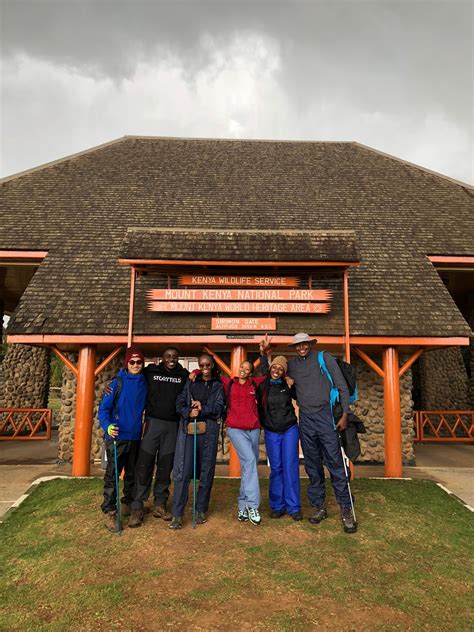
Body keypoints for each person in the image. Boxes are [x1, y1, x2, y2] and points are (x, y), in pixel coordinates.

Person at [285, 333, 357, 533]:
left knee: (335, 462)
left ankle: (346, 510)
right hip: (306, 419)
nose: (302, 348)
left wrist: (344, 414)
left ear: (310, 344)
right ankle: (319, 506)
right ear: (295, 347)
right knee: (312, 464)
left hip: (326, 417)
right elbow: (279, 379)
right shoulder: (292, 365)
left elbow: (342, 386)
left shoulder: (324, 358)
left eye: (305, 344)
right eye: (298, 345)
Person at [128, 347, 189, 528]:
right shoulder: (150, 371)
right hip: (152, 424)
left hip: (172, 426)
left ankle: (160, 504)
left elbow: (197, 380)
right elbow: (132, 375)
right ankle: (137, 506)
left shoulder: (183, 375)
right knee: (144, 464)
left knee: (165, 466)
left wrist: (194, 374)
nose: (171, 359)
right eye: (168, 356)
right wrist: (113, 383)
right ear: (162, 358)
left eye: (175, 357)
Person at [169, 354, 225, 529]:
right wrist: (188, 412)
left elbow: (219, 409)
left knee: (206, 472)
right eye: (202, 365)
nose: (205, 367)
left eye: (208, 364)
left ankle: (200, 509)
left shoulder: (218, 385)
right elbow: (179, 403)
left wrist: (202, 409)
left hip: (208, 432)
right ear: (198, 366)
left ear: (212, 365)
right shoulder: (191, 382)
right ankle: (177, 514)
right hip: (189, 431)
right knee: (184, 472)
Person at [98, 346, 147, 532]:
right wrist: (107, 426)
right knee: (112, 476)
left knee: (133, 474)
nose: (136, 365)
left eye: (139, 362)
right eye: (132, 362)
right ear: (127, 363)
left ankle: (128, 504)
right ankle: (110, 510)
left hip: (135, 438)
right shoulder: (116, 383)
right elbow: (103, 410)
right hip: (117, 436)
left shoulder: (144, 382)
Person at [221, 358, 268, 526]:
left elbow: (269, 375)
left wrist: (263, 355)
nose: (243, 370)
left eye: (247, 369)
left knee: (249, 467)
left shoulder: (254, 384)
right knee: (249, 461)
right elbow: (209, 373)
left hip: (253, 429)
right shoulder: (229, 383)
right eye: (242, 367)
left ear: (250, 372)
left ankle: (242, 506)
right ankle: (253, 506)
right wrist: (196, 372)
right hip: (235, 429)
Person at [257, 354, 303, 521]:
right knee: (276, 468)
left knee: (290, 466)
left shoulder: (287, 383)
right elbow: (263, 367)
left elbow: (299, 396)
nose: (276, 371)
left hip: (289, 429)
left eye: (280, 369)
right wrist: (263, 353)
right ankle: (277, 506)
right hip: (271, 430)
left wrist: (293, 383)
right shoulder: (263, 385)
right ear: (270, 368)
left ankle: (294, 507)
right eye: (274, 367)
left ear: (284, 372)